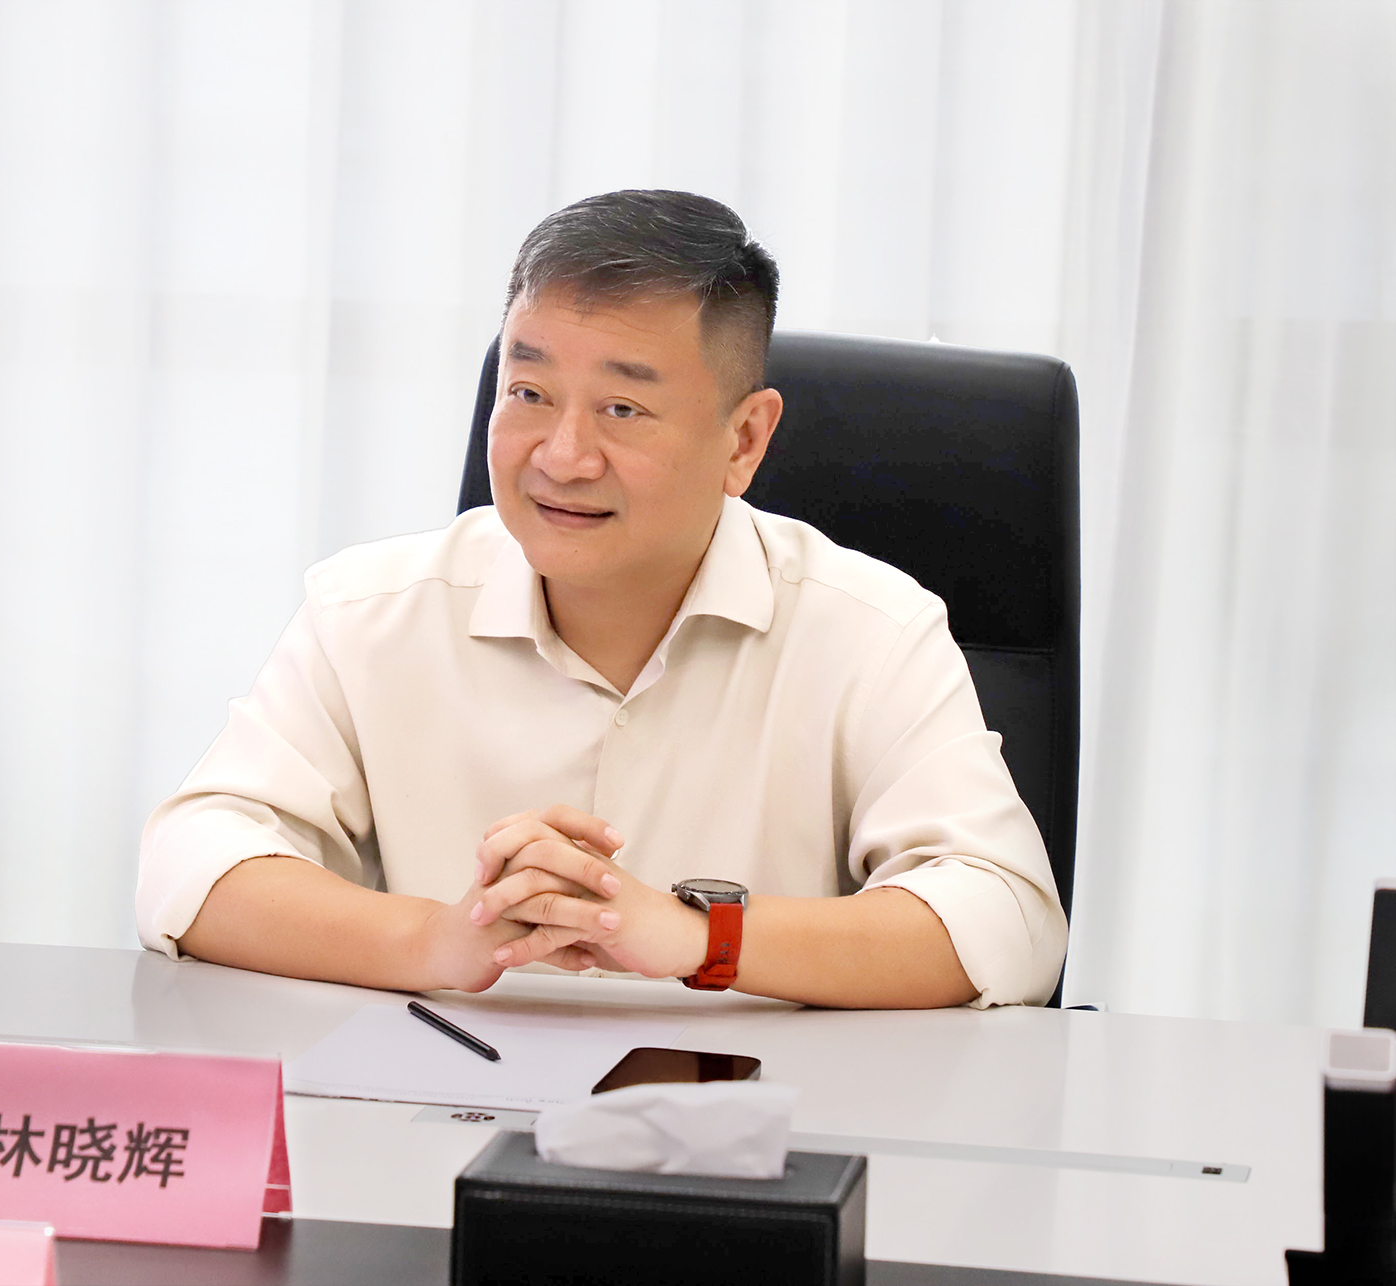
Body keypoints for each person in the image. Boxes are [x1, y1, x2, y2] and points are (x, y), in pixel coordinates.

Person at [136, 190, 1067, 1008]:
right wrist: (440, 941)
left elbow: (1007, 918)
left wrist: (698, 938)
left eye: (622, 409)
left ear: (745, 440)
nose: (563, 455)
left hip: (755, 1127)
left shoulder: (870, 631)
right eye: (529, 391)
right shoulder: (370, 611)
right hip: (441, 1110)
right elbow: (191, 863)